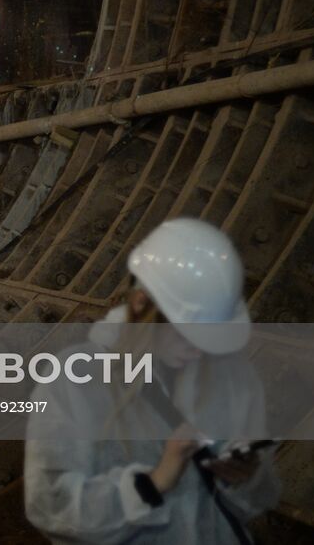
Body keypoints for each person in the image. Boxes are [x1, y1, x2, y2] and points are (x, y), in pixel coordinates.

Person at [24, 218, 280, 544]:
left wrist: (246, 477)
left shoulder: (224, 378)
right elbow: (52, 506)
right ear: (140, 304)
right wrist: (154, 482)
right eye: (188, 334)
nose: (199, 350)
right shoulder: (78, 380)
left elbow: (257, 502)